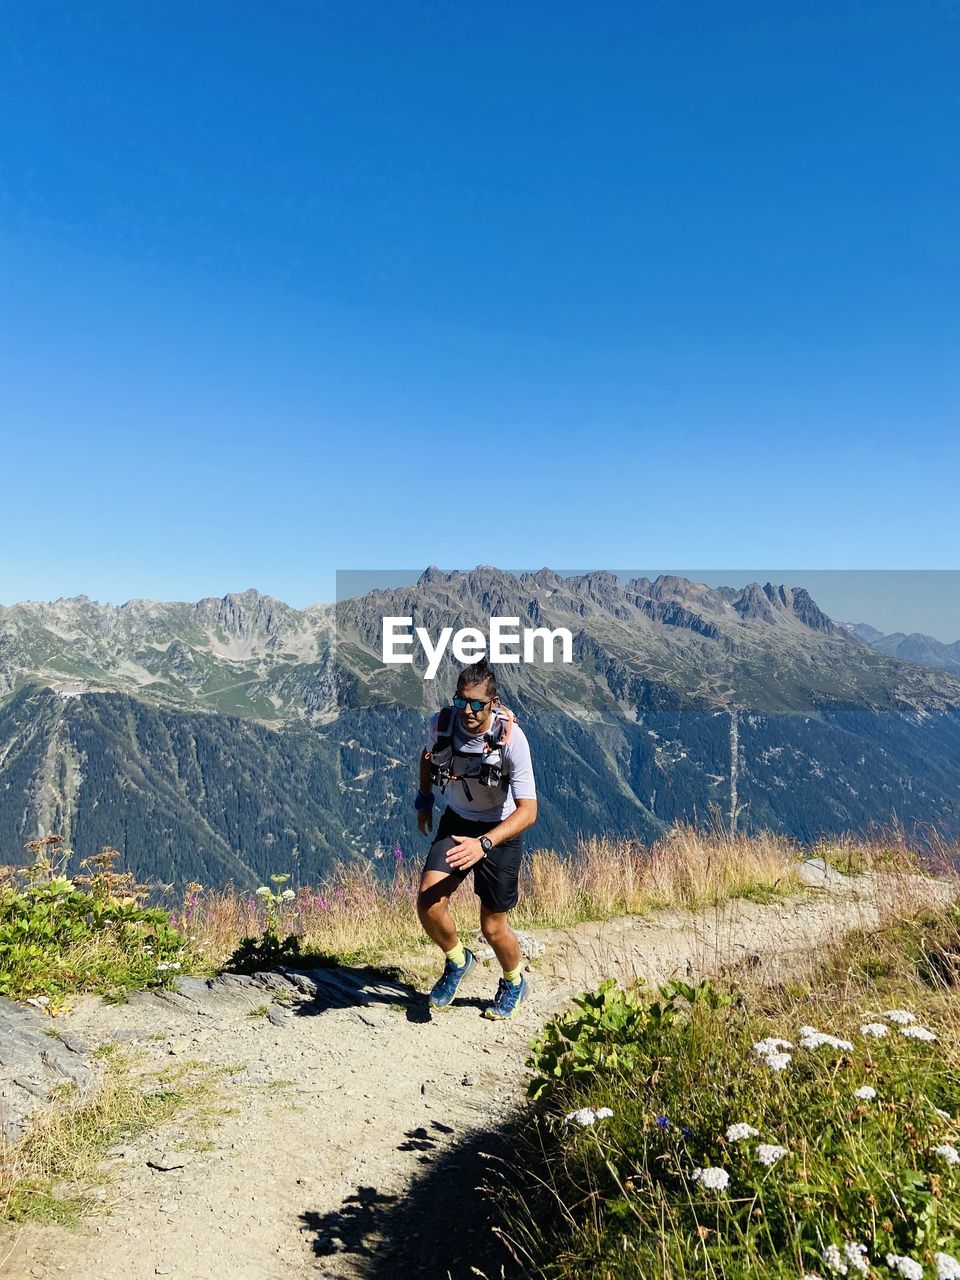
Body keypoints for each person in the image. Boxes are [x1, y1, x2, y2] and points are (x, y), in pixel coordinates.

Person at [415, 659, 538, 1019]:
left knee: (492, 926)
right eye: (460, 701)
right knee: (428, 904)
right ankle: (458, 960)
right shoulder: (441, 724)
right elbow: (427, 758)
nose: (467, 711)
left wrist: (484, 844)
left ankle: (514, 982)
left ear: (493, 703)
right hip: (458, 822)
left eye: (476, 704)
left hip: (499, 830)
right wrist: (423, 800)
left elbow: (528, 811)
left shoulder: (512, 738)